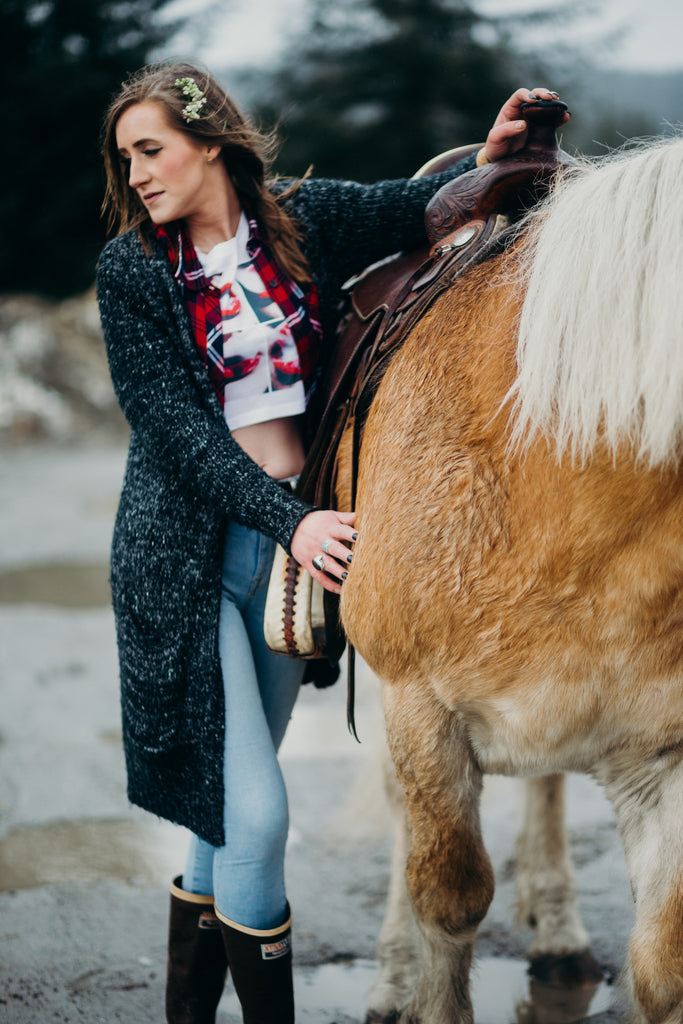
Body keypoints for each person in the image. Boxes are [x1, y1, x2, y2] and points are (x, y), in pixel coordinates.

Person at [97, 61, 569, 1024]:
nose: (138, 175)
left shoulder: (300, 225)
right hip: (183, 561)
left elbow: (416, 210)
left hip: (284, 562)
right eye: (127, 160)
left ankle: (186, 1013)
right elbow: (176, 435)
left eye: (150, 150)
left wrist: (490, 160)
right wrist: (296, 521)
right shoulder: (132, 271)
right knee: (257, 816)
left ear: (209, 143)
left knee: (220, 815)